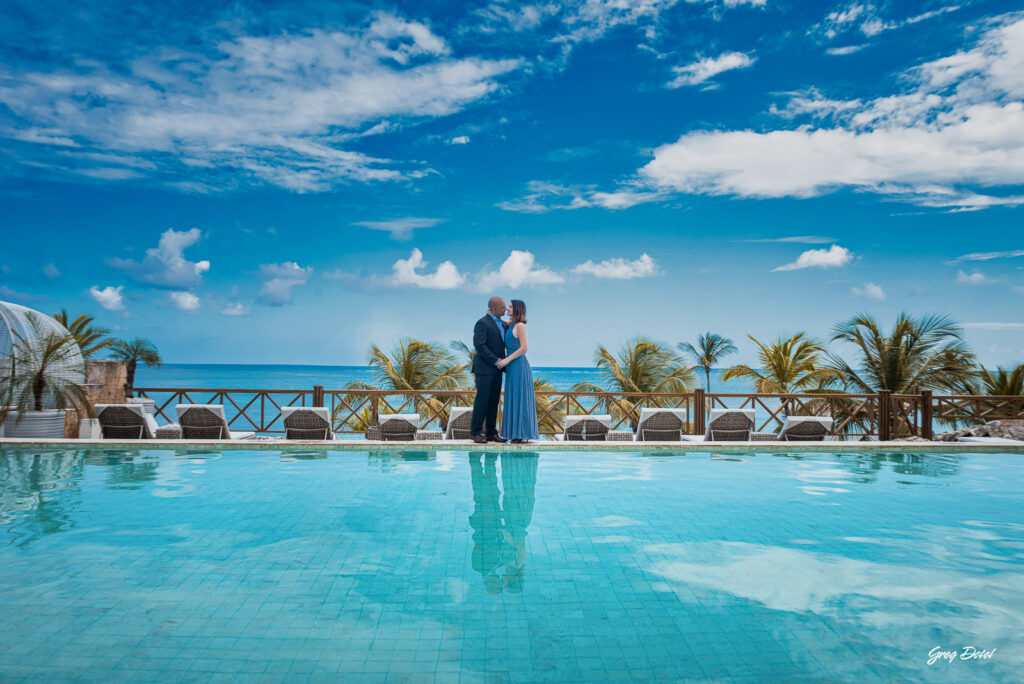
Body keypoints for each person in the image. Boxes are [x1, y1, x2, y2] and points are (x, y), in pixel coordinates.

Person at [496, 299, 539, 443]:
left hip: (519, 365)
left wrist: (507, 360)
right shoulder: (510, 325)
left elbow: (524, 348)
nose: (507, 308)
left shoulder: (520, 326)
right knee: (512, 397)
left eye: (510, 306)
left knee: (520, 397)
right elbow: (498, 321)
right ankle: (514, 433)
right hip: (512, 367)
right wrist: (490, 313)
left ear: (517, 309)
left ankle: (521, 433)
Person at [470, 296, 508, 444]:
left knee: (494, 401)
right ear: (494, 309)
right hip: (484, 369)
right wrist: (495, 360)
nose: (505, 309)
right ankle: (475, 432)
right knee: (482, 401)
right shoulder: (482, 323)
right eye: (503, 307)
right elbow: (479, 345)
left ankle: (491, 433)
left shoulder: (503, 324)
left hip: (497, 370)